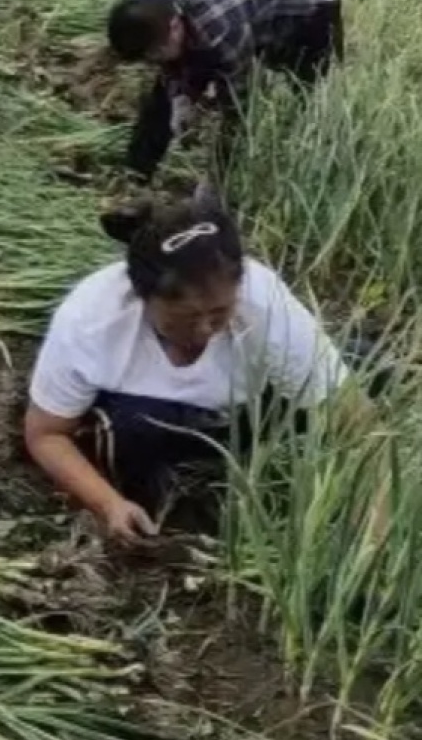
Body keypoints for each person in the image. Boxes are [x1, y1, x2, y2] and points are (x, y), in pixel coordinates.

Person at [25, 196, 365, 544]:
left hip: (246, 412)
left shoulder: (266, 305)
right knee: (129, 430)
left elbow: (359, 427)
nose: (205, 330)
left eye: (219, 313)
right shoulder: (91, 319)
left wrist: (369, 544)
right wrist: (108, 504)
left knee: (364, 368)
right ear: (143, 297)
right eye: (183, 319)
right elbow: (46, 434)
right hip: (144, 421)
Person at [107, 0, 343, 180]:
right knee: (163, 95)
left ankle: (299, 170)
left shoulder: (224, 24)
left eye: (155, 53)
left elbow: (238, 104)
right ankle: (136, 174)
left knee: (314, 90)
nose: (152, 61)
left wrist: (218, 171)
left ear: (176, 27)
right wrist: (180, 97)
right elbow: (170, 66)